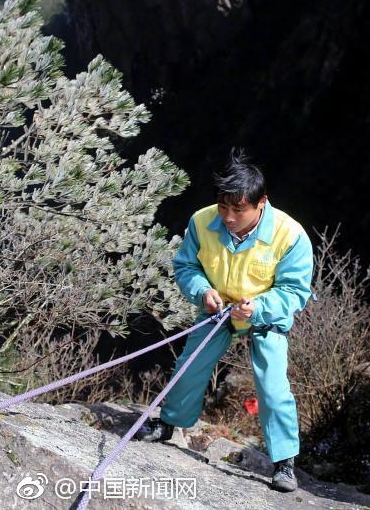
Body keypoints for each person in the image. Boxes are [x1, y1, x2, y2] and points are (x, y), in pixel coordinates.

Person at [135, 148, 314, 493]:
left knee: (273, 384)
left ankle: (284, 462)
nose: (229, 217)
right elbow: (186, 266)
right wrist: (202, 291)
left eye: (238, 209)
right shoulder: (202, 222)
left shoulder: (290, 235)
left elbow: (295, 292)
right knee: (191, 364)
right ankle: (170, 423)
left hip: (262, 314)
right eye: (223, 206)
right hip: (217, 308)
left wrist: (258, 307)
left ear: (261, 202)